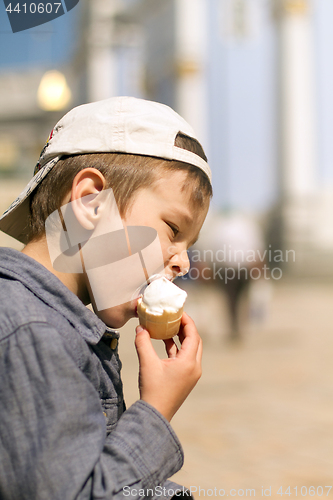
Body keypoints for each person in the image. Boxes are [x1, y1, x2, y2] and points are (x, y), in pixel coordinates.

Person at [0, 97, 212, 500]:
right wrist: (155, 412)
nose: (183, 262)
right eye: (172, 228)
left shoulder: (50, 325)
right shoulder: (31, 333)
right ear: (89, 202)